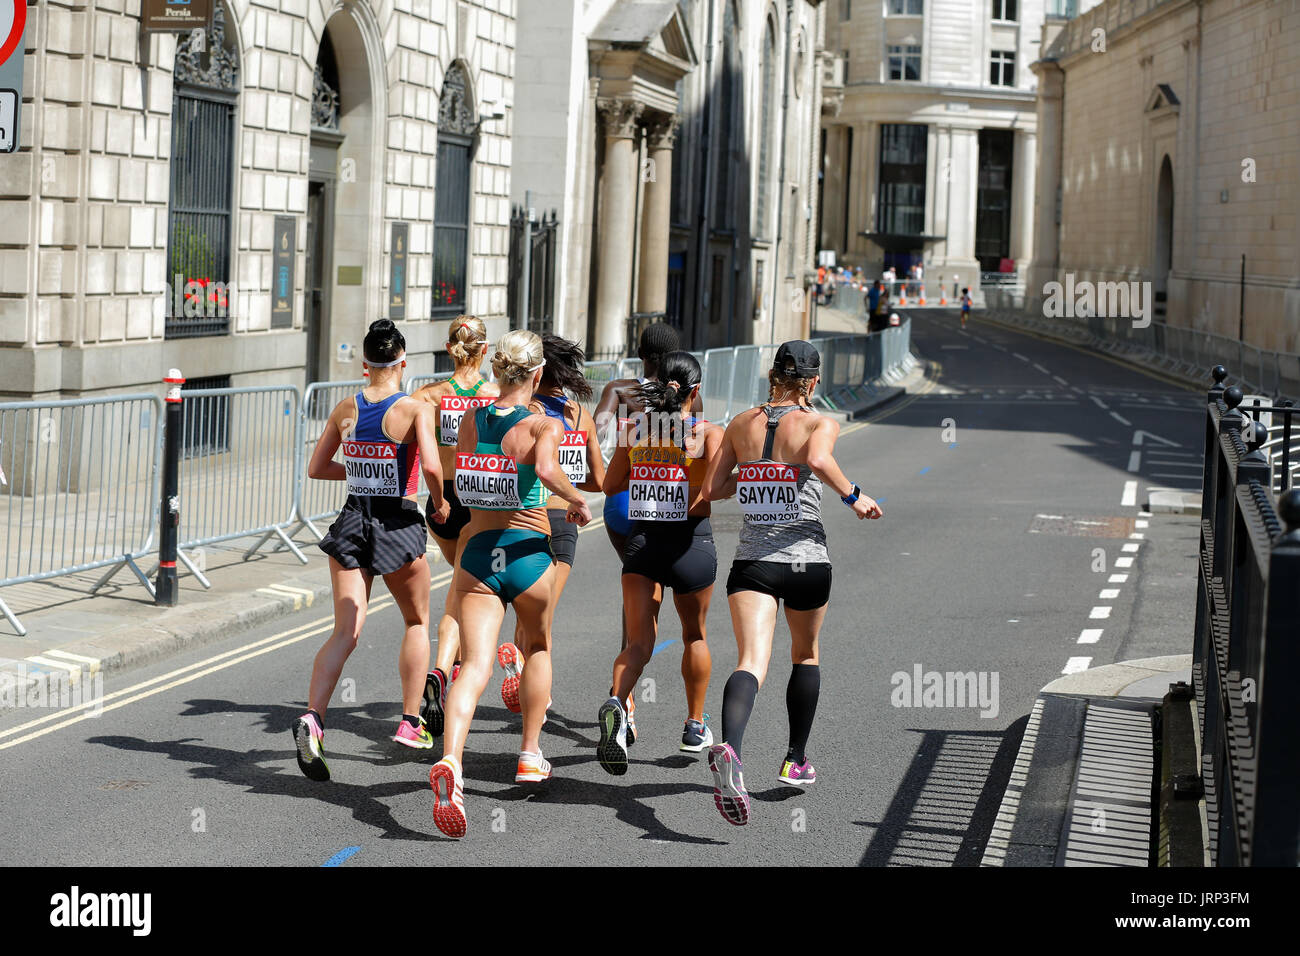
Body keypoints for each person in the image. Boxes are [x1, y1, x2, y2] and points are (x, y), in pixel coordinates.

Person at [702, 341, 882, 825]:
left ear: (771, 375)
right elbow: (820, 462)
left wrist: (755, 473)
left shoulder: (740, 423)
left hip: (753, 563)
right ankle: (794, 760)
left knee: (750, 662)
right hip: (805, 560)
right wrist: (855, 496)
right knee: (804, 654)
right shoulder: (820, 422)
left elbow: (713, 490)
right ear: (813, 383)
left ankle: (732, 752)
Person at [428, 330, 592, 839]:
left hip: (479, 552)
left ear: (496, 371)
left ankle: (452, 761)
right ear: (538, 375)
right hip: (527, 550)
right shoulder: (543, 424)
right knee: (538, 645)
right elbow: (545, 469)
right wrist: (575, 500)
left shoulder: (474, 416)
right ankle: (529, 754)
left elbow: (460, 475)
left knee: (473, 663)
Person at [292, 319, 449, 781]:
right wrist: (438, 505)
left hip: (353, 520)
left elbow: (318, 468)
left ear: (365, 366)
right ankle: (409, 721)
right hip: (397, 521)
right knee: (417, 620)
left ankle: (313, 719)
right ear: (403, 363)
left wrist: (357, 474)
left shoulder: (346, 406)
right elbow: (434, 467)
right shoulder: (415, 407)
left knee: (346, 632)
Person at [596, 351, 724, 774]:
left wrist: (648, 469)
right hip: (692, 545)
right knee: (695, 636)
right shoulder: (708, 433)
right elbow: (718, 489)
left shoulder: (635, 429)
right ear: (696, 390)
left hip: (643, 543)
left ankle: (617, 703)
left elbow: (611, 484)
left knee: (637, 644)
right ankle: (693, 724)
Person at [591, 322, 702, 742]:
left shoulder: (622, 389)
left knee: (636, 590)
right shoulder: (690, 394)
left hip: (622, 505)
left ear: (641, 355)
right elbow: (693, 451)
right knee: (658, 609)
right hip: (667, 504)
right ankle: (635, 702)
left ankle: (626, 704)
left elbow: (599, 428)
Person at [497, 334, 607, 712]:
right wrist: (573, 484)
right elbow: (601, 480)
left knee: (525, 609)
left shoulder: (525, 412)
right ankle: (535, 692)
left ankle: (520, 663)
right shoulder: (580, 417)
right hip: (561, 520)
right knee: (542, 619)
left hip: (522, 517)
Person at [411, 316, 499, 736]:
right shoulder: (497, 396)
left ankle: (449, 670)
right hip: (478, 502)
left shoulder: (428, 396)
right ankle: (441, 673)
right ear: (485, 350)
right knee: (461, 596)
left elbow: (407, 445)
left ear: (449, 349)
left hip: (440, 503)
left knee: (464, 587)